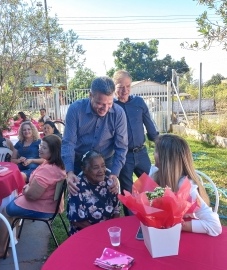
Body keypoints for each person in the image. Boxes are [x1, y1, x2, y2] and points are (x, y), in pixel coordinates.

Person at [0, 134, 66, 258]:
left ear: (53, 151)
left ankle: (1, 249)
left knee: (6, 211)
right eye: (40, 146)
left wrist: (25, 189)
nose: (40, 149)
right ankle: (13, 237)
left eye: (44, 147)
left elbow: (32, 196)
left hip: (43, 207)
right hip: (50, 204)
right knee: (12, 205)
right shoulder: (56, 164)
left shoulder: (48, 169)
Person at [61, 76, 128, 195]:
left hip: (105, 163)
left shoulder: (118, 113)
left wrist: (115, 173)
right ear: (90, 95)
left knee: (106, 201)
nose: (105, 109)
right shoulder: (76, 109)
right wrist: (69, 172)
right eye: (100, 103)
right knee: (79, 198)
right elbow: (68, 142)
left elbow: (121, 146)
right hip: (79, 162)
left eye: (109, 103)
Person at [151, 134, 222, 236]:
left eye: (156, 151)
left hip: (182, 239)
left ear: (166, 159)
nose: (153, 153)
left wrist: (177, 226)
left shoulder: (184, 186)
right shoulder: (154, 172)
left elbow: (214, 225)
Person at [113, 70, 159, 216]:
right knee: (128, 193)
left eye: (128, 86)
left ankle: (153, 217)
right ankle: (131, 223)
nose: (124, 90)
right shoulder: (112, 107)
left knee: (151, 187)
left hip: (142, 153)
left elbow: (149, 124)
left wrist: (158, 140)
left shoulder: (139, 103)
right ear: (114, 87)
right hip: (123, 156)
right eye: (120, 86)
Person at [67, 151, 120, 235]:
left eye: (103, 166)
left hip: (108, 231)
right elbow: (76, 220)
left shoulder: (109, 183)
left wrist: (111, 229)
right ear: (84, 170)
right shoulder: (77, 186)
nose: (101, 170)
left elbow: (116, 211)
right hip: (85, 233)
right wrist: (100, 232)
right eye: (96, 167)